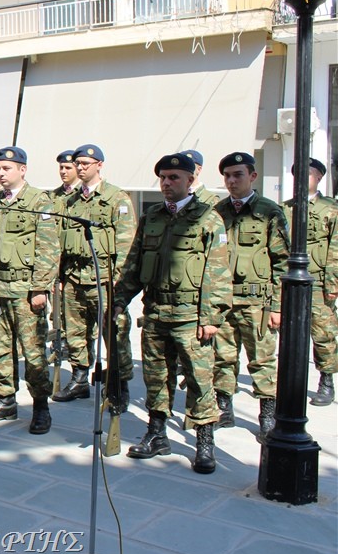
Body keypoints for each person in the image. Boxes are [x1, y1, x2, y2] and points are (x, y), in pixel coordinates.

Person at [113, 153, 230, 474]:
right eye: (163, 178)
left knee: (199, 377)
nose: (166, 183)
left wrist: (210, 317)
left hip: (192, 316)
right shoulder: (152, 217)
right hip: (156, 312)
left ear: (191, 180)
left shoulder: (208, 218)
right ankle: (157, 433)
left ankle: (204, 441)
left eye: (174, 178)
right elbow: (134, 265)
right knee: (155, 376)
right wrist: (120, 300)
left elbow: (217, 272)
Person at [52, 144, 136, 409]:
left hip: (104, 278)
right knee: (76, 332)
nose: (80, 168)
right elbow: (60, 240)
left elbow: (126, 246)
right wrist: (59, 276)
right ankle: (79, 379)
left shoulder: (116, 198)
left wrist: (120, 284)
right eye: (78, 163)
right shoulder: (70, 200)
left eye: (86, 163)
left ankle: (118, 385)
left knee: (114, 334)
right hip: (74, 277)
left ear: (99, 165)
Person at [0, 147, 59, 433]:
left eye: (7, 168)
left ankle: (41, 406)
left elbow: (49, 247)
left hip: (26, 290)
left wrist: (40, 287)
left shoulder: (40, 200)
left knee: (34, 351)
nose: (1, 174)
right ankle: (6, 400)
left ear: (22, 169)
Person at [213, 152, 289, 441]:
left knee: (262, 359)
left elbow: (282, 261)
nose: (232, 181)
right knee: (223, 356)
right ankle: (224, 407)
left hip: (258, 302)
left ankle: (267, 414)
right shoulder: (218, 212)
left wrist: (278, 306)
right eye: (228, 176)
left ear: (252, 177)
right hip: (224, 299)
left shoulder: (270, 211)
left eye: (238, 175)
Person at [284, 158, 337, 406]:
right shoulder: (285, 209)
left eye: (309, 174)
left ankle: (326, 379)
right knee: (289, 333)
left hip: (318, 282)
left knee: (323, 332)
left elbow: (336, 249)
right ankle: (288, 381)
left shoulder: (331, 209)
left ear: (319, 178)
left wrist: (333, 284)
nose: (303, 179)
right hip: (288, 281)